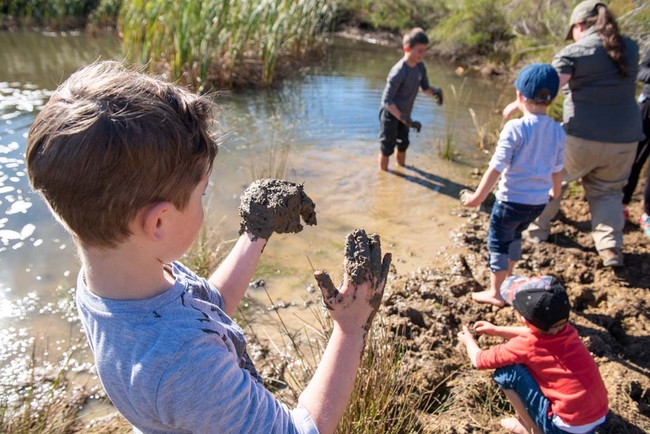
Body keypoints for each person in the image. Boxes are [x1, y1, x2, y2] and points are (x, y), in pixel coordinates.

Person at [25, 61, 391, 434]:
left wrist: (255, 234)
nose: (205, 201)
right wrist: (349, 329)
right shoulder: (185, 364)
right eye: (202, 193)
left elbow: (205, 308)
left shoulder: (113, 280)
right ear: (159, 223)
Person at [504, 0, 643, 267]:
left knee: (554, 179)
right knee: (608, 191)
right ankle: (611, 247)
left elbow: (548, 88)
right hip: (626, 140)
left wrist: (518, 104)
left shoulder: (575, 52)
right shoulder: (631, 49)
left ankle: (536, 231)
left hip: (582, 136)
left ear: (580, 25)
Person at [461, 63, 565, 307]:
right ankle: (507, 280)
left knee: (498, 242)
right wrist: (555, 192)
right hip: (537, 203)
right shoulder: (558, 131)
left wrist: (476, 198)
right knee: (515, 236)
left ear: (519, 96)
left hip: (510, 201)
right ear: (553, 97)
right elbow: (557, 169)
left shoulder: (515, 128)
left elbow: (496, 168)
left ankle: (496, 293)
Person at [457, 275, 608, 434]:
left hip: (563, 429)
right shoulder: (567, 330)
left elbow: (479, 360)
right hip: (598, 416)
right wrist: (497, 330)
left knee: (506, 373)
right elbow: (533, 332)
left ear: (521, 317)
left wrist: (468, 341)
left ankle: (532, 428)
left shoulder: (526, 345)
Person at [378, 27, 443, 171]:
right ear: (407, 48)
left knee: (403, 144)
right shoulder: (399, 71)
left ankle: (401, 172)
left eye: (425, 50)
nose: (423, 54)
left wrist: (436, 92)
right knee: (387, 147)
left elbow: (425, 89)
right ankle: (383, 176)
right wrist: (402, 118)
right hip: (391, 114)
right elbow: (387, 101)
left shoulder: (420, 67)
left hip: (405, 114)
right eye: (420, 50)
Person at [622, 48, 650, 238]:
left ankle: (648, 214)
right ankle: (620, 204)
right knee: (635, 157)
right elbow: (641, 70)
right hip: (648, 107)